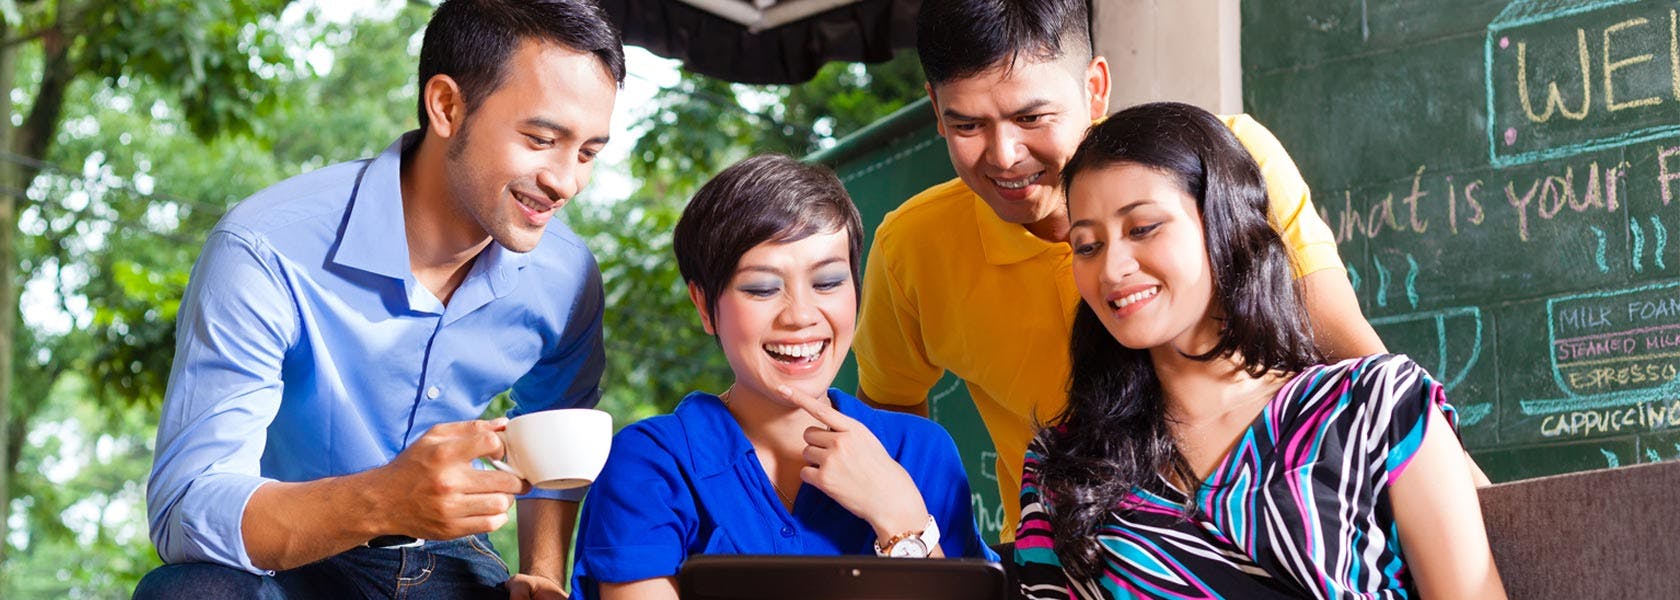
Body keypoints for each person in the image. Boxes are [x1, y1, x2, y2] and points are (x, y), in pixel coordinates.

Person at [852, 0, 1445, 542]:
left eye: (1031, 117)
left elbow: (1356, 361)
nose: (1003, 155)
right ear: (935, 110)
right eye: (967, 126)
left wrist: (1474, 506)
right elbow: (890, 427)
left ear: (1095, 88)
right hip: (1072, 563)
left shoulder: (1229, 165)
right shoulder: (911, 248)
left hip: (1295, 534)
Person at [133, 1, 622, 598]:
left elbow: (556, 423)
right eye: (542, 139)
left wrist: (542, 577)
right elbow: (187, 506)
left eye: (589, 152)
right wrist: (385, 499)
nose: (566, 181)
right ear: (447, 105)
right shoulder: (265, 247)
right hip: (292, 551)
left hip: (454, 558)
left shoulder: (567, 277)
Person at [1013, 102, 1506, 599]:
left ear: (1224, 223)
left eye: (1143, 229)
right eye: (1088, 246)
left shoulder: (1380, 408)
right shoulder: (1062, 467)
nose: (1112, 267)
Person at [569, 155, 997, 600]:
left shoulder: (922, 452)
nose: (801, 316)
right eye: (761, 288)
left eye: (829, 282)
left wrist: (902, 518)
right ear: (703, 304)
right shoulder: (649, 463)